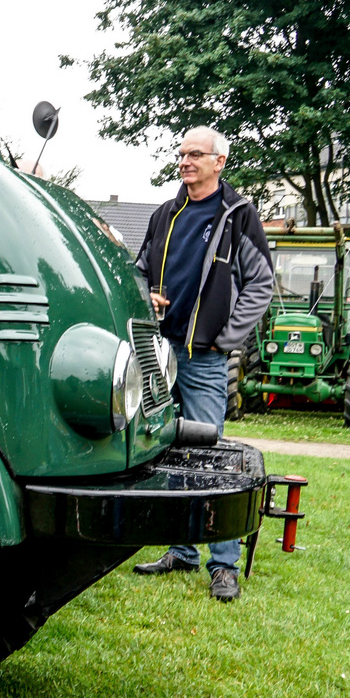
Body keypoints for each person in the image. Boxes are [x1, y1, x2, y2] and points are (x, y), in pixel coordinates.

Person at [131, 126, 274, 601]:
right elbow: (138, 270)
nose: (186, 161)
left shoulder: (238, 216)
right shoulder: (164, 213)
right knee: (168, 448)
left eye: (196, 154)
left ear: (220, 162)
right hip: (160, 352)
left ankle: (224, 563)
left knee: (210, 457)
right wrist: (144, 294)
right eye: (182, 153)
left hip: (204, 356)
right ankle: (182, 550)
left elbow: (260, 284)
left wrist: (225, 338)